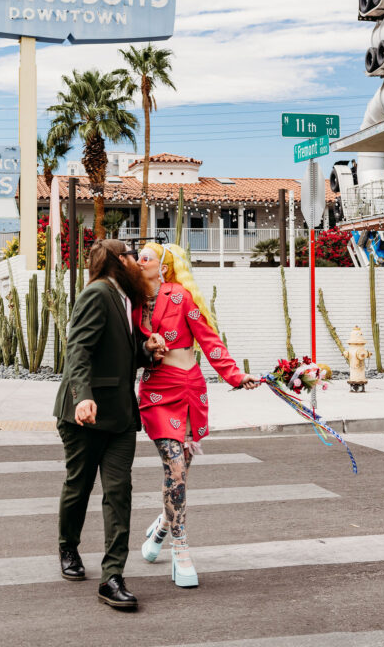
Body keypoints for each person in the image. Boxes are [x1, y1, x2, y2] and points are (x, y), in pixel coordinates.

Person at [134, 242, 260, 588]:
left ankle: (161, 528)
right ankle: (181, 549)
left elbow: (208, 339)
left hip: (190, 393)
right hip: (158, 394)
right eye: (137, 255)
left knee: (179, 477)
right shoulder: (130, 302)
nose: (139, 260)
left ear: (163, 266)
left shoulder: (180, 296)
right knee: (174, 468)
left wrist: (236, 375)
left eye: (146, 256)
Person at [53, 239, 165, 611]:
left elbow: (125, 351)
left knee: (119, 493)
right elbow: (78, 348)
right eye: (134, 256)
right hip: (84, 414)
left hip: (119, 416)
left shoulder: (125, 298)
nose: (139, 262)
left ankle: (111, 577)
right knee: (79, 487)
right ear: (121, 261)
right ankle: (68, 547)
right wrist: (83, 395)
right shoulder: (98, 293)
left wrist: (146, 350)